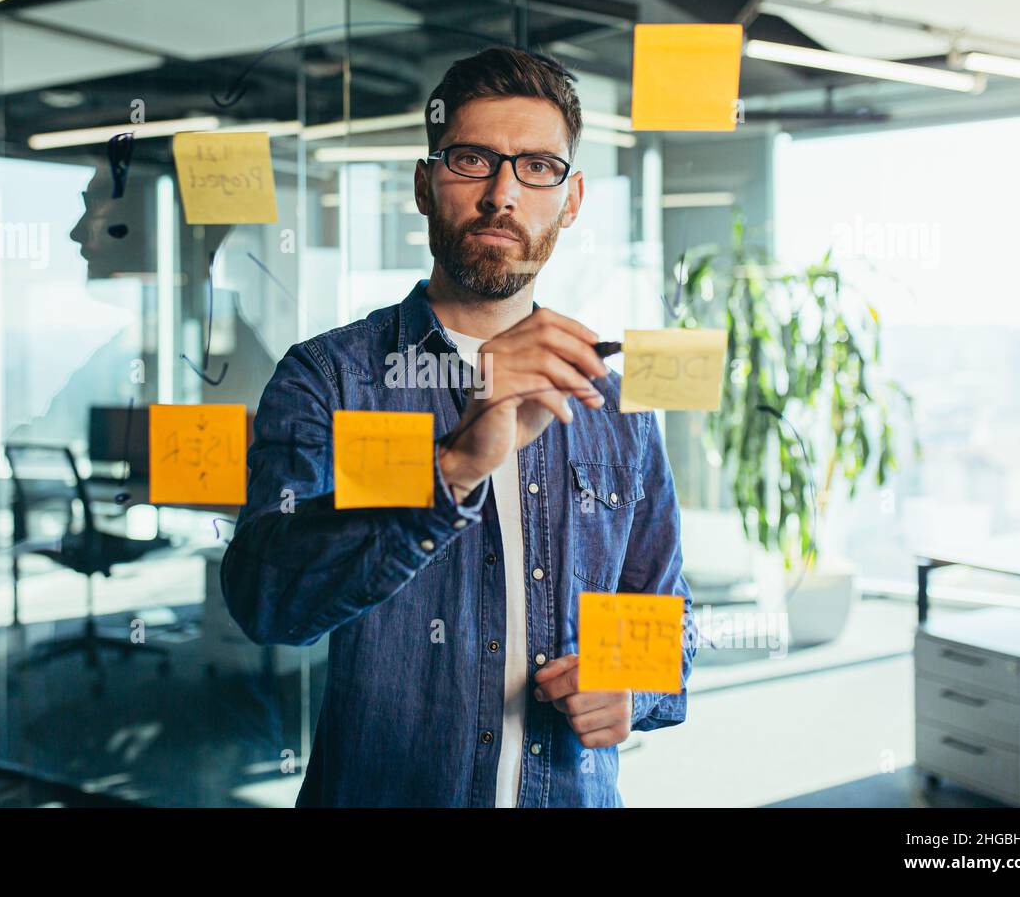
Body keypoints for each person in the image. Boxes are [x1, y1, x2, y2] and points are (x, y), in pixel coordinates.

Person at [221, 46, 695, 807]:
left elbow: (665, 616)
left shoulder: (611, 398)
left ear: (570, 201)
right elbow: (265, 599)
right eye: (473, 159)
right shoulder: (333, 377)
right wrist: (450, 469)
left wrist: (633, 688)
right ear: (424, 183)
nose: (502, 194)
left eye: (537, 167)